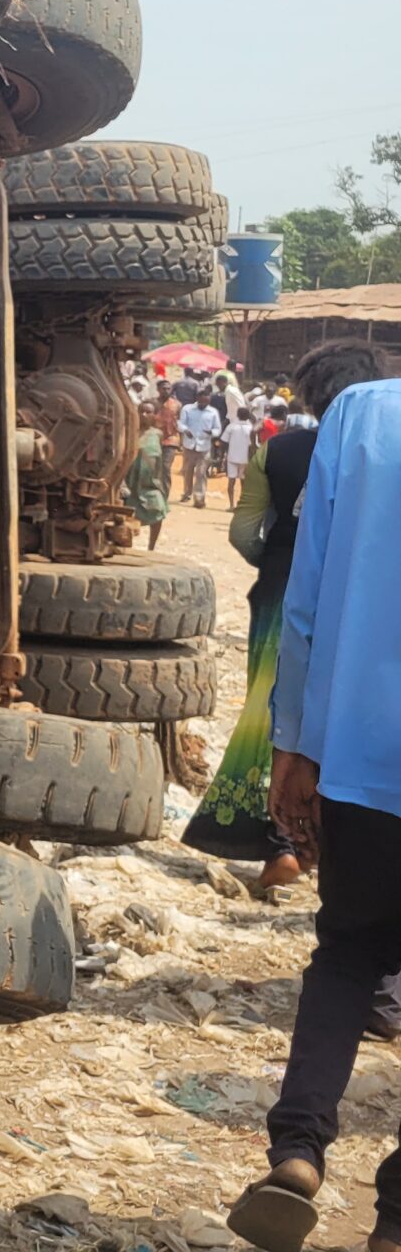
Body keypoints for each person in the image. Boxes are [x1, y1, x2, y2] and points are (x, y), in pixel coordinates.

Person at [226, 352, 401, 1252]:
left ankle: (298, 1152)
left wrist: (293, 741)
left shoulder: (363, 416)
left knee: (345, 952)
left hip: (366, 752)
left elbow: (309, 595)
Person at [126, 400, 170, 552]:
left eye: (148, 412)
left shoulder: (157, 434)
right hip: (130, 482)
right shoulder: (131, 432)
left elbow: (159, 459)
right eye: (141, 412)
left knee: (158, 510)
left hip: (150, 482)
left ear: (154, 415)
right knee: (128, 513)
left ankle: (151, 546)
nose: (144, 415)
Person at [180, 388, 222, 508]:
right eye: (202, 402)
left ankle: (199, 497)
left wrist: (211, 432)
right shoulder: (187, 409)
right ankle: (187, 492)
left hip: (204, 446)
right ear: (197, 399)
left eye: (206, 402)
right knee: (188, 471)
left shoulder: (213, 412)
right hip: (189, 445)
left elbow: (217, 429)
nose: (204, 404)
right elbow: (181, 423)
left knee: (201, 472)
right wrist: (185, 430)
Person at [222, 405, 257, 510]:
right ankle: (241, 505)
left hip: (232, 457)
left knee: (231, 482)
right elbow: (253, 445)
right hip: (245, 459)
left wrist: (222, 455)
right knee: (243, 483)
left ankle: (231, 505)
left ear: (237, 415)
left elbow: (224, 441)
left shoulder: (231, 426)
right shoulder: (251, 428)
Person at [157, 386, 185, 497]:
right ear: (158, 389)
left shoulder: (177, 405)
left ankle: (164, 495)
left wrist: (182, 442)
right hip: (155, 438)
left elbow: (181, 423)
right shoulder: (153, 403)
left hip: (171, 440)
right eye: (163, 388)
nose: (166, 391)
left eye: (168, 388)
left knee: (165, 467)